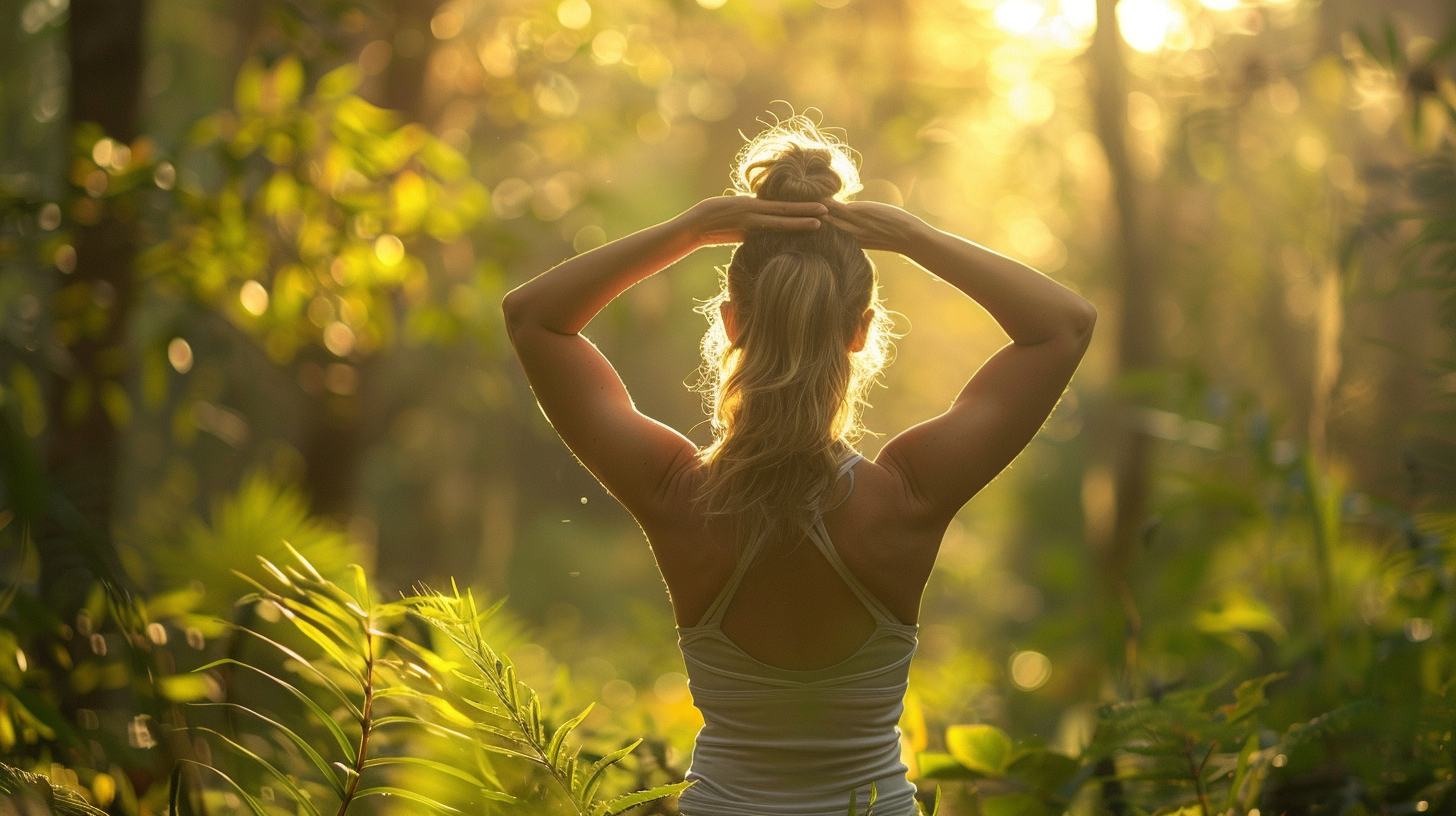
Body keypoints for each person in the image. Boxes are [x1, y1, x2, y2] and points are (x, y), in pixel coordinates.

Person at [501, 116, 1096, 815]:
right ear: (862, 332)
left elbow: (533, 318)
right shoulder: (908, 496)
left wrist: (691, 228)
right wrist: (912, 237)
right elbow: (1064, 325)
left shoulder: (675, 493)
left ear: (729, 323)